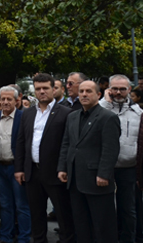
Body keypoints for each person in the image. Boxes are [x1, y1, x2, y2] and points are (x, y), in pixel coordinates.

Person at [14, 73, 75, 243]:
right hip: (32, 173)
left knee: (63, 216)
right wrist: (19, 168)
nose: (42, 92)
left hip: (55, 173)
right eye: (38, 89)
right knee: (37, 215)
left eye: (45, 88)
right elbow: (21, 142)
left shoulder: (65, 113)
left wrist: (63, 168)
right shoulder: (28, 113)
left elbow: (67, 144)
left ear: (53, 89)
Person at [58, 80, 120, 243]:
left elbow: (110, 149)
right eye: (81, 91)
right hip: (75, 180)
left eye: (89, 91)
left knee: (103, 226)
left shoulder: (108, 117)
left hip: (97, 180)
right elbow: (67, 144)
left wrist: (104, 174)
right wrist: (62, 168)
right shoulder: (72, 116)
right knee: (81, 224)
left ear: (99, 95)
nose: (84, 94)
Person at [100, 74, 141, 242]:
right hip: (104, 168)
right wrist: (105, 102)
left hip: (128, 167)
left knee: (128, 209)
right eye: (114, 88)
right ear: (108, 89)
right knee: (105, 209)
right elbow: (90, 118)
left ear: (129, 89)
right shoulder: (101, 109)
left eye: (122, 89)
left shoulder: (138, 113)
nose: (118, 92)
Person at [0, 86, 31, 243]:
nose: (6, 102)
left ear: (17, 100)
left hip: (17, 168)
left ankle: (23, 237)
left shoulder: (24, 117)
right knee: (5, 204)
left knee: (21, 205)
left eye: (9, 99)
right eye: (3, 99)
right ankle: (5, 236)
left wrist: (21, 168)